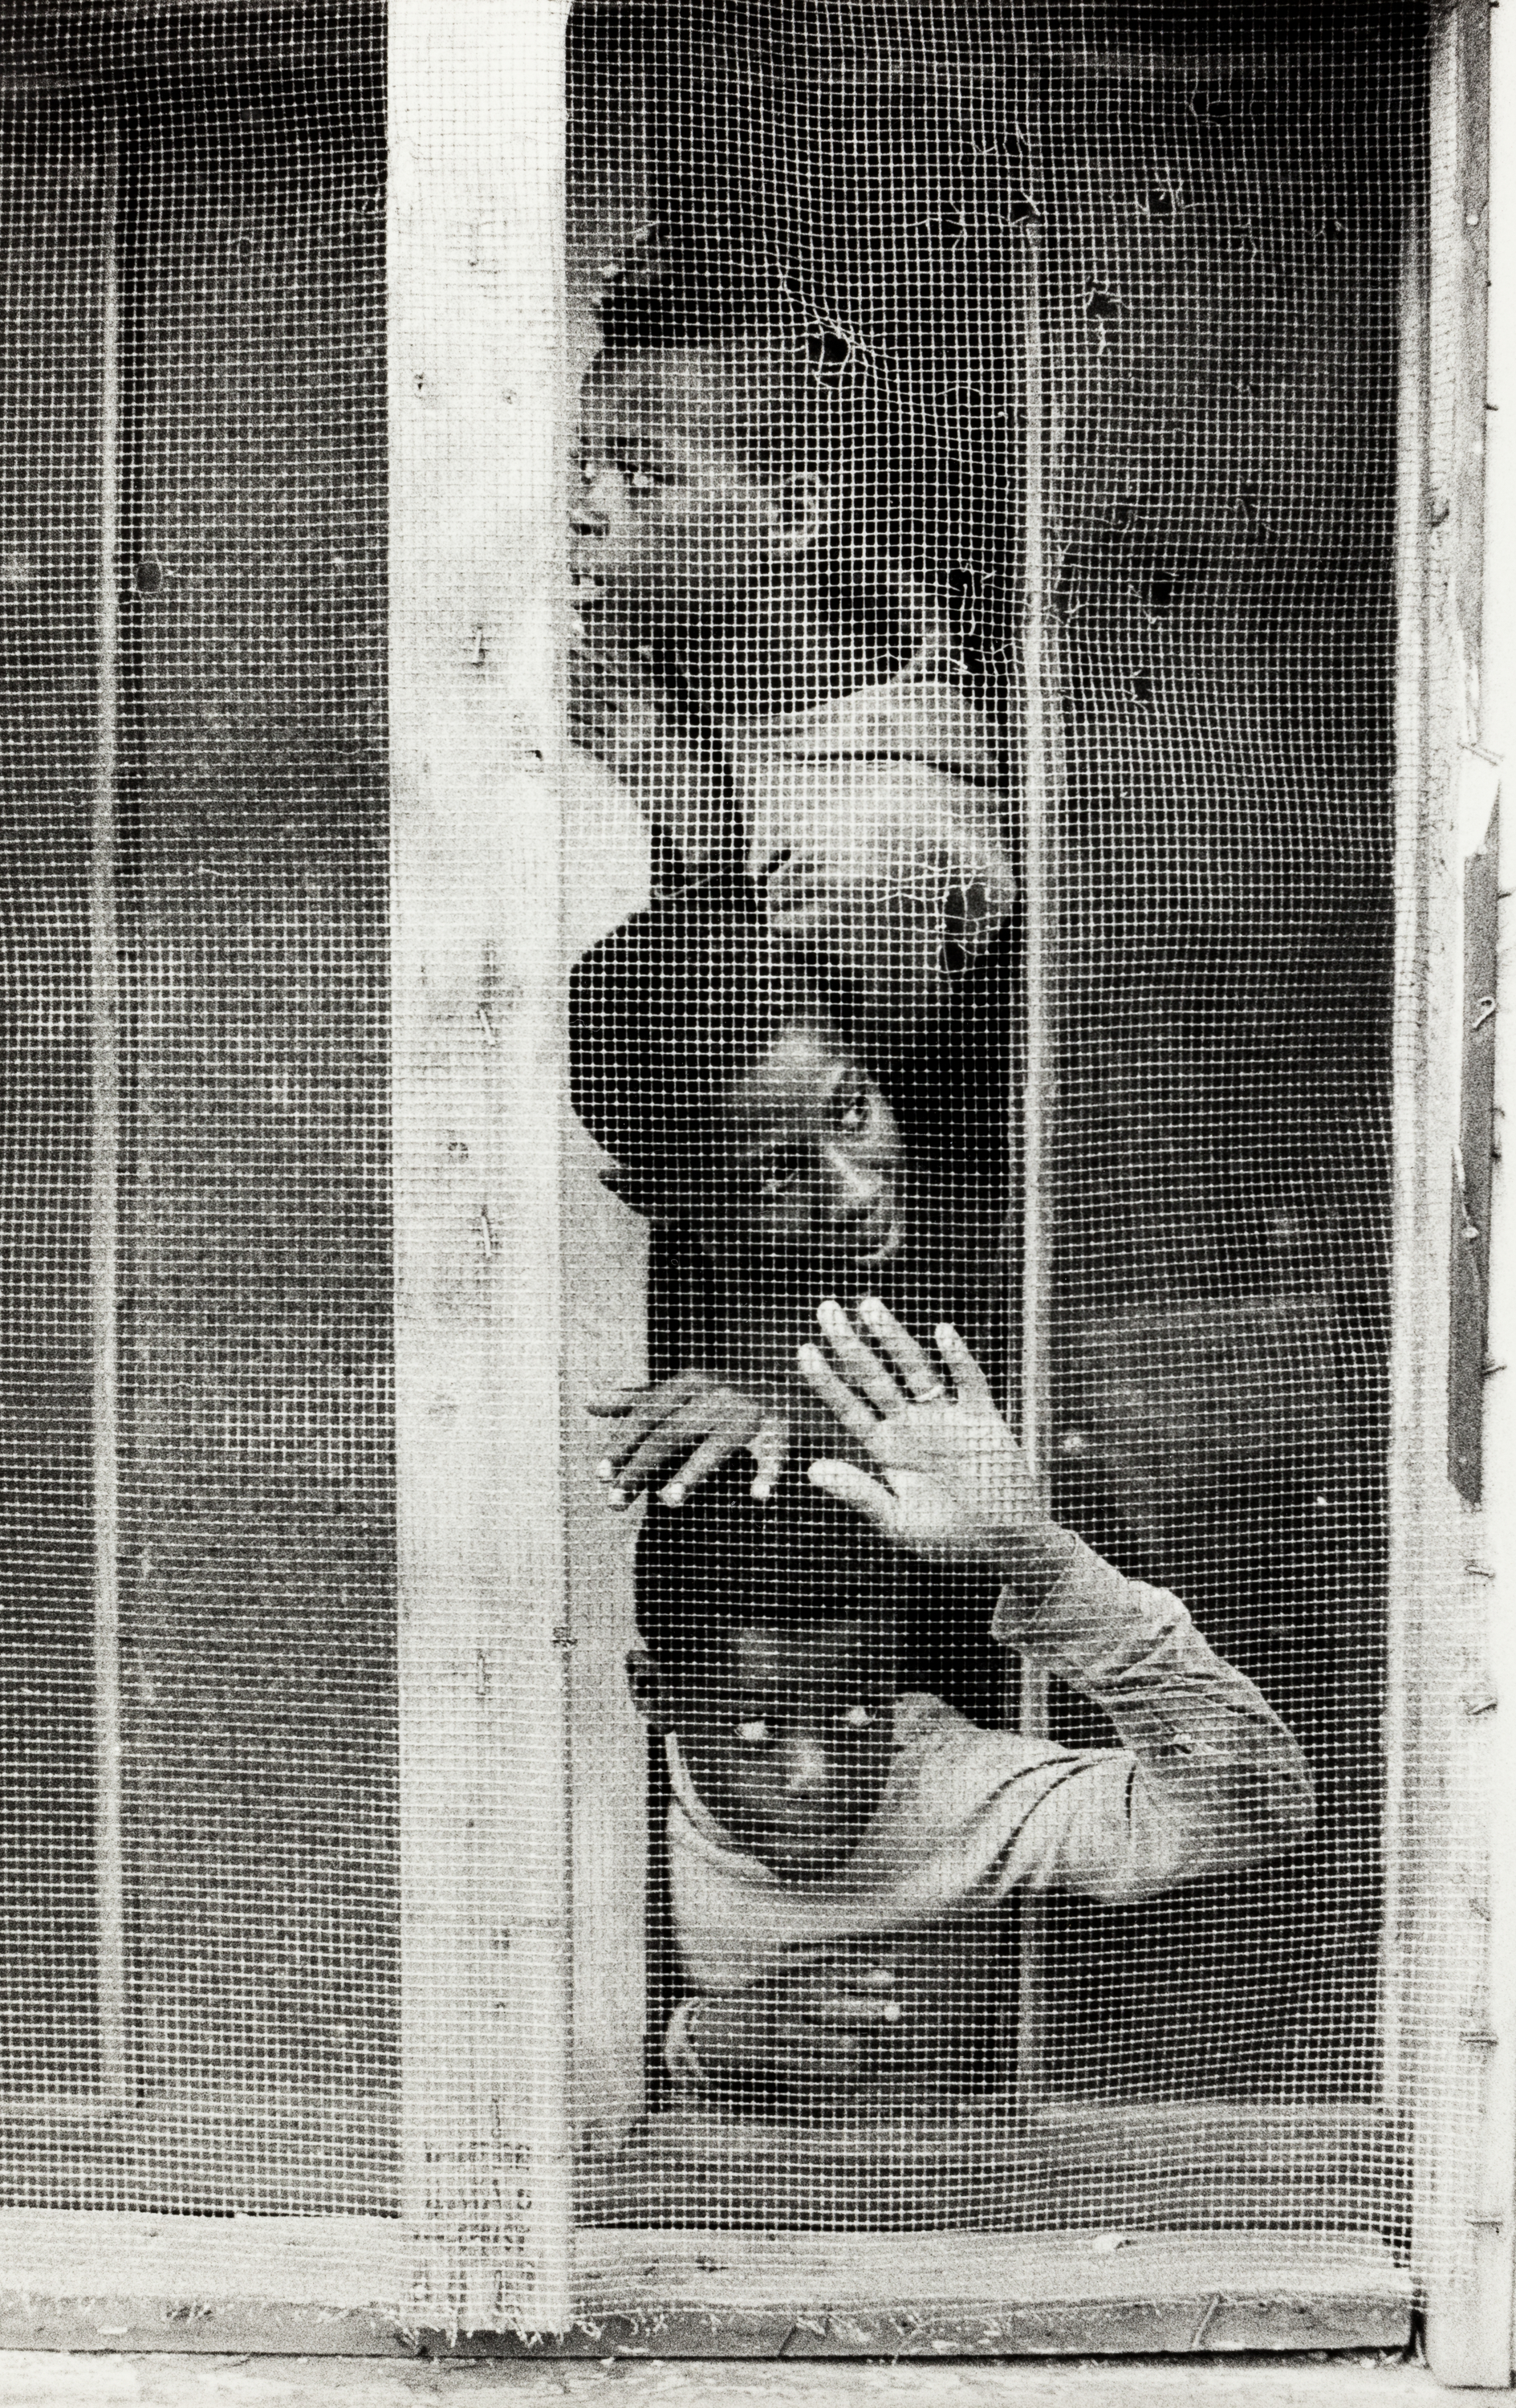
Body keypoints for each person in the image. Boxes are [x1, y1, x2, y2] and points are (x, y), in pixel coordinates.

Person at [625, 1296, 1315, 2105]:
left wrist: (1045, 1564)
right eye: (755, 1729)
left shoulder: (945, 1782)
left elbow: (1255, 1812)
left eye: (854, 1712)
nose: (814, 1774)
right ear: (653, 1694)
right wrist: (703, 2040)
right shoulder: (587, 1801)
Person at [569, 274, 1014, 1027]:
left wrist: (682, 801)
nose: (585, 511)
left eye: (642, 475)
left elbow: (789, 1106)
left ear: (789, 515)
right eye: (587, 465)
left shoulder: (879, 843)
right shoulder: (654, 654)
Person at [568, 875, 1003, 1511]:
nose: (853, 1193)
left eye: (853, 1109)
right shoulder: (724, 1422)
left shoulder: (996, 1218)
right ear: (659, 1200)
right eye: (775, 1177)